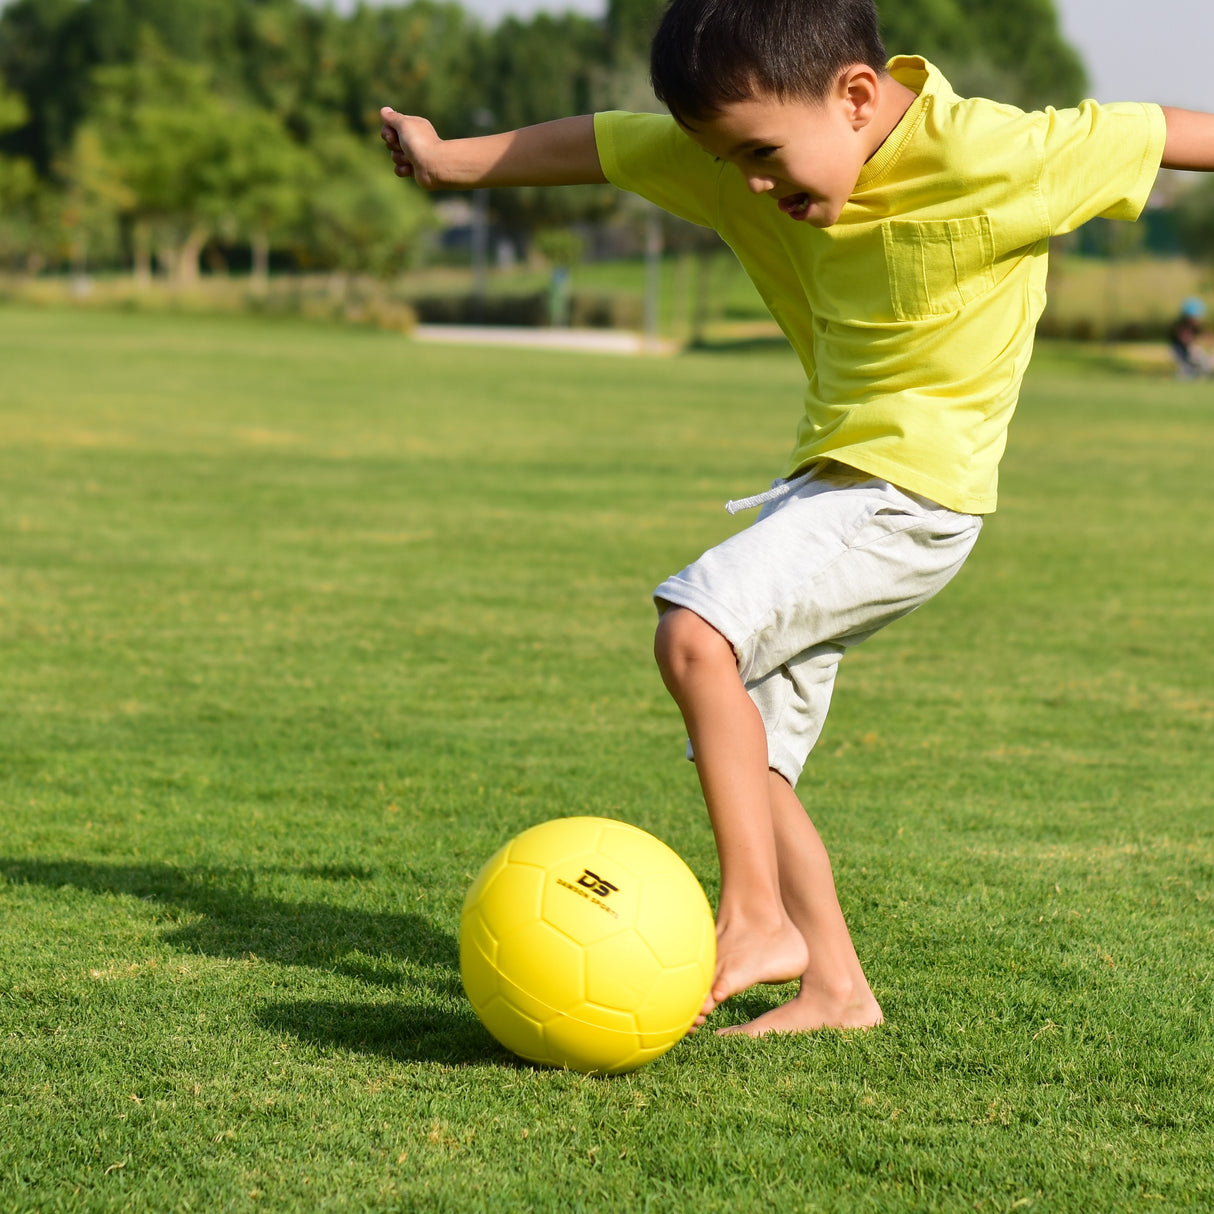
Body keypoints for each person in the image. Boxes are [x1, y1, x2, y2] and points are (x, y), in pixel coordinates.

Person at [380, 0, 1214, 1037]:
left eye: (762, 156)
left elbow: (1165, 132)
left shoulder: (1000, 154)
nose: (748, 184)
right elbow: (601, 144)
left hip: (912, 496)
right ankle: (836, 989)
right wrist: (448, 162)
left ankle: (757, 916)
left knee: (695, 634)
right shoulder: (745, 148)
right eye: (727, 160)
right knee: (746, 757)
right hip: (828, 486)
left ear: (856, 96)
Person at [1168, 296, 1211, 378]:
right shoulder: (1183, 327)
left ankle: (1198, 372)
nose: (1200, 319)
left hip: (1187, 354)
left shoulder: (1195, 327)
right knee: (1196, 352)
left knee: (1201, 355)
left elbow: (1205, 335)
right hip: (1180, 353)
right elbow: (1186, 341)